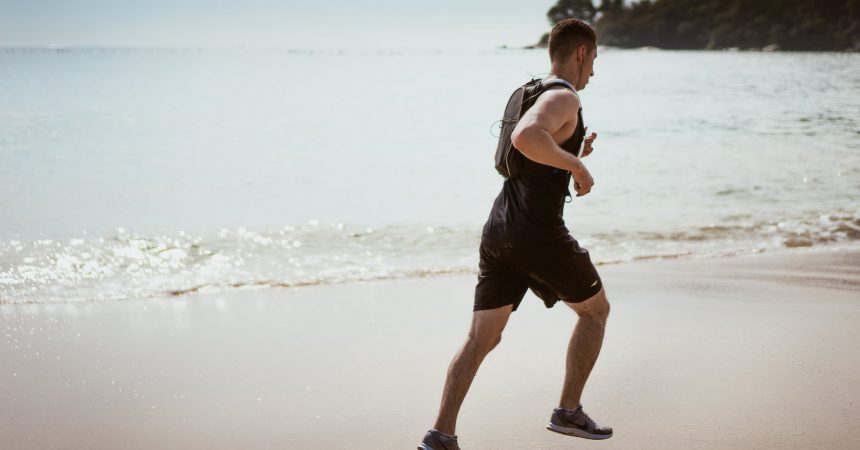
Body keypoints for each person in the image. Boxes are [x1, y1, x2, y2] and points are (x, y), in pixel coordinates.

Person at [418, 18, 612, 450]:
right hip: (538, 235)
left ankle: (440, 435)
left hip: (500, 231)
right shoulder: (564, 96)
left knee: (481, 338)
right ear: (581, 53)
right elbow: (527, 138)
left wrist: (569, 151)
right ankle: (568, 411)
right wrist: (578, 166)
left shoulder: (527, 92)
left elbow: (522, 157)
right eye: (594, 60)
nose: (594, 72)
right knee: (595, 312)